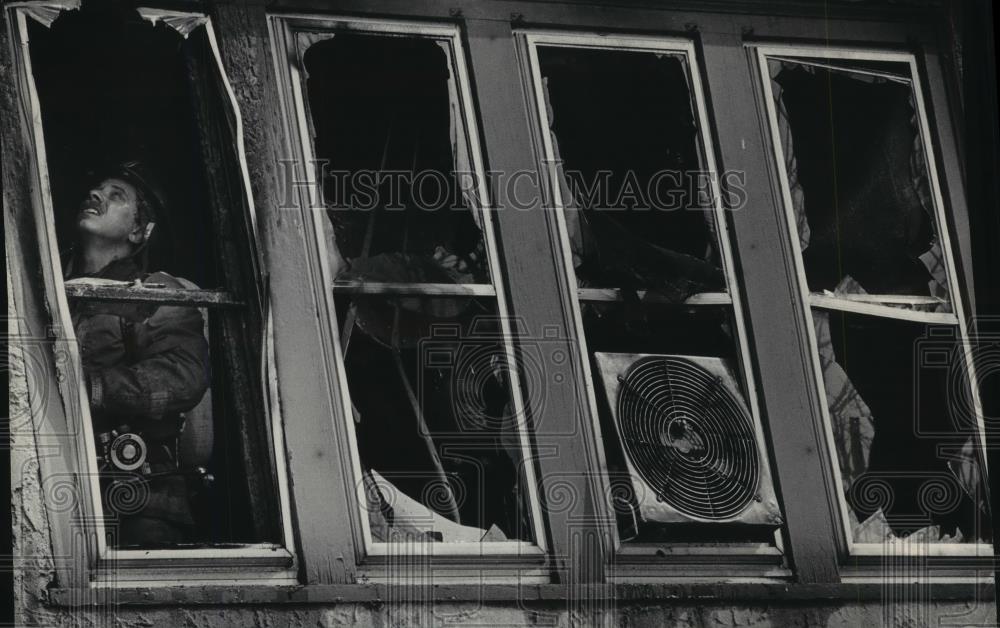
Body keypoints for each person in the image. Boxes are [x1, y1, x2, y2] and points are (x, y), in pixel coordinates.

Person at [64, 161, 210, 546]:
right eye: (95, 190)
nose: (96, 196)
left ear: (138, 231)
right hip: (61, 480)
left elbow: (184, 375)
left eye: (116, 195)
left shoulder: (152, 290)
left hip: (141, 490)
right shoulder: (45, 287)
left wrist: (90, 387)